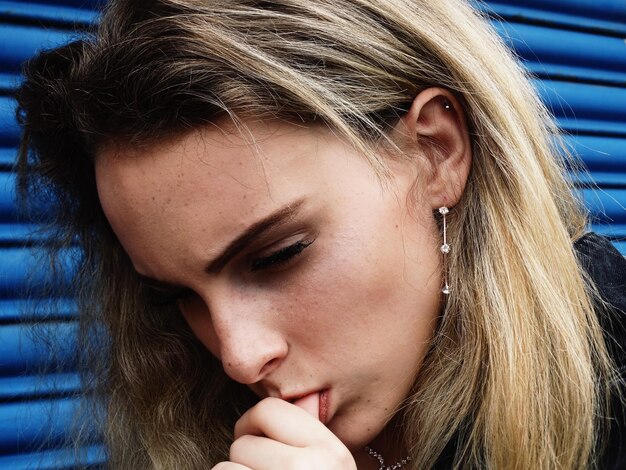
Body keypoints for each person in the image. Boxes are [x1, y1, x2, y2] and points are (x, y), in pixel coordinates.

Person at [14, 0, 626, 468]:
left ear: (437, 153)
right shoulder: (211, 413)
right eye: (175, 296)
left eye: (279, 255)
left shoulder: (612, 372)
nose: (239, 357)